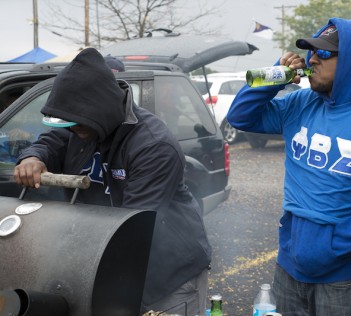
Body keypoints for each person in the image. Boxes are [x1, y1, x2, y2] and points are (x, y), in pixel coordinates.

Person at [13, 47, 211, 316]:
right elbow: (53, 139)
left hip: (167, 277)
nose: (73, 131)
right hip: (111, 265)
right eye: (68, 124)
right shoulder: (80, 127)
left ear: (102, 110)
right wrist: (32, 157)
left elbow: (133, 229)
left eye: (78, 125)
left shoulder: (153, 146)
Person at [227, 18, 351, 315]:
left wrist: (340, 245)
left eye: (324, 53)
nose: (312, 59)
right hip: (289, 265)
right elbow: (240, 116)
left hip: (346, 275)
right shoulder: (300, 103)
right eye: (311, 51)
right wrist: (276, 74)